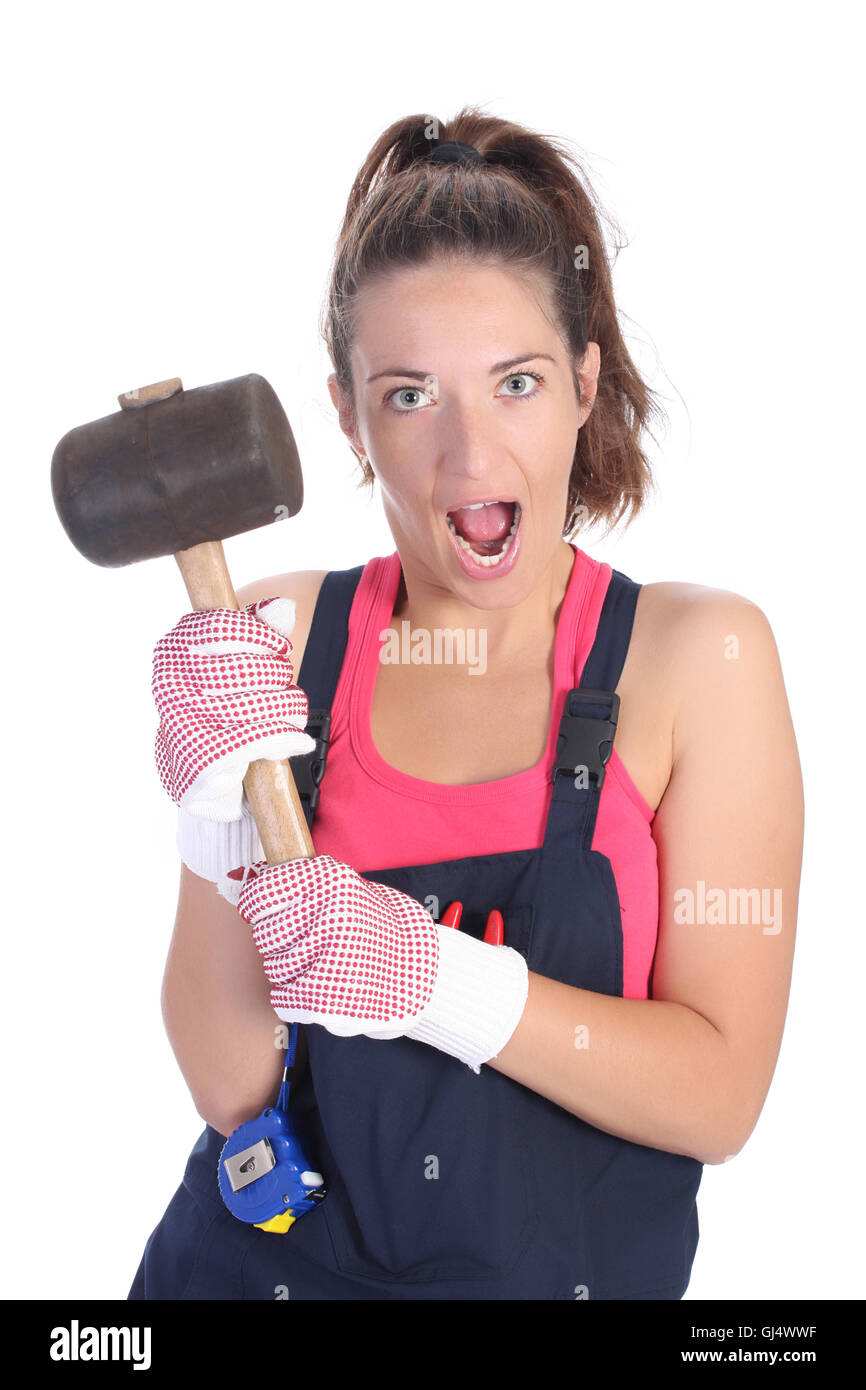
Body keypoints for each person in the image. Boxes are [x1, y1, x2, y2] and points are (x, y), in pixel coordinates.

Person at [128, 108, 804, 1301]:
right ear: (343, 414)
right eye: (407, 396)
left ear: (585, 382)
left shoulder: (698, 660)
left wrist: (437, 982)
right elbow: (235, 1089)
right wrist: (213, 825)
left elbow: (719, 1096)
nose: (468, 453)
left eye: (515, 382)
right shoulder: (279, 641)